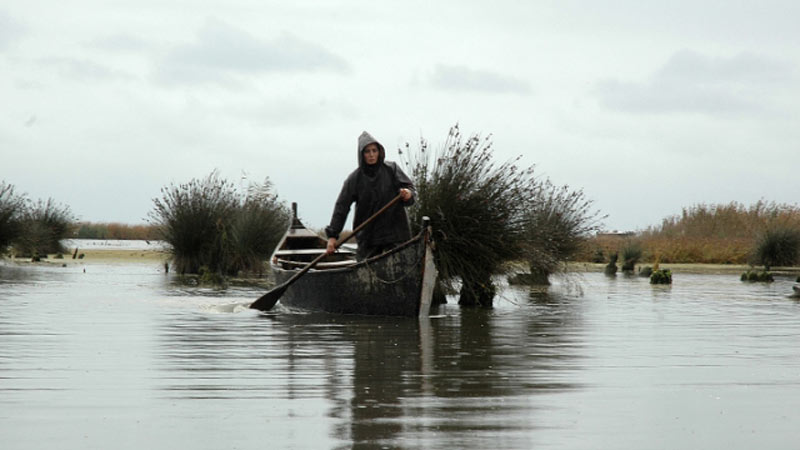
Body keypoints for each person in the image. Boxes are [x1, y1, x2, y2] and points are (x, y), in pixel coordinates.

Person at [325, 131, 416, 260]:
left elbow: (410, 189)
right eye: (367, 152)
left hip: (396, 235)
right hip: (368, 238)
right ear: (362, 154)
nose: (372, 155)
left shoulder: (392, 169)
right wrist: (332, 237)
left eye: (374, 150)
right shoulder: (354, 179)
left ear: (379, 152)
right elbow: (342, 207)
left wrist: (408, 194)